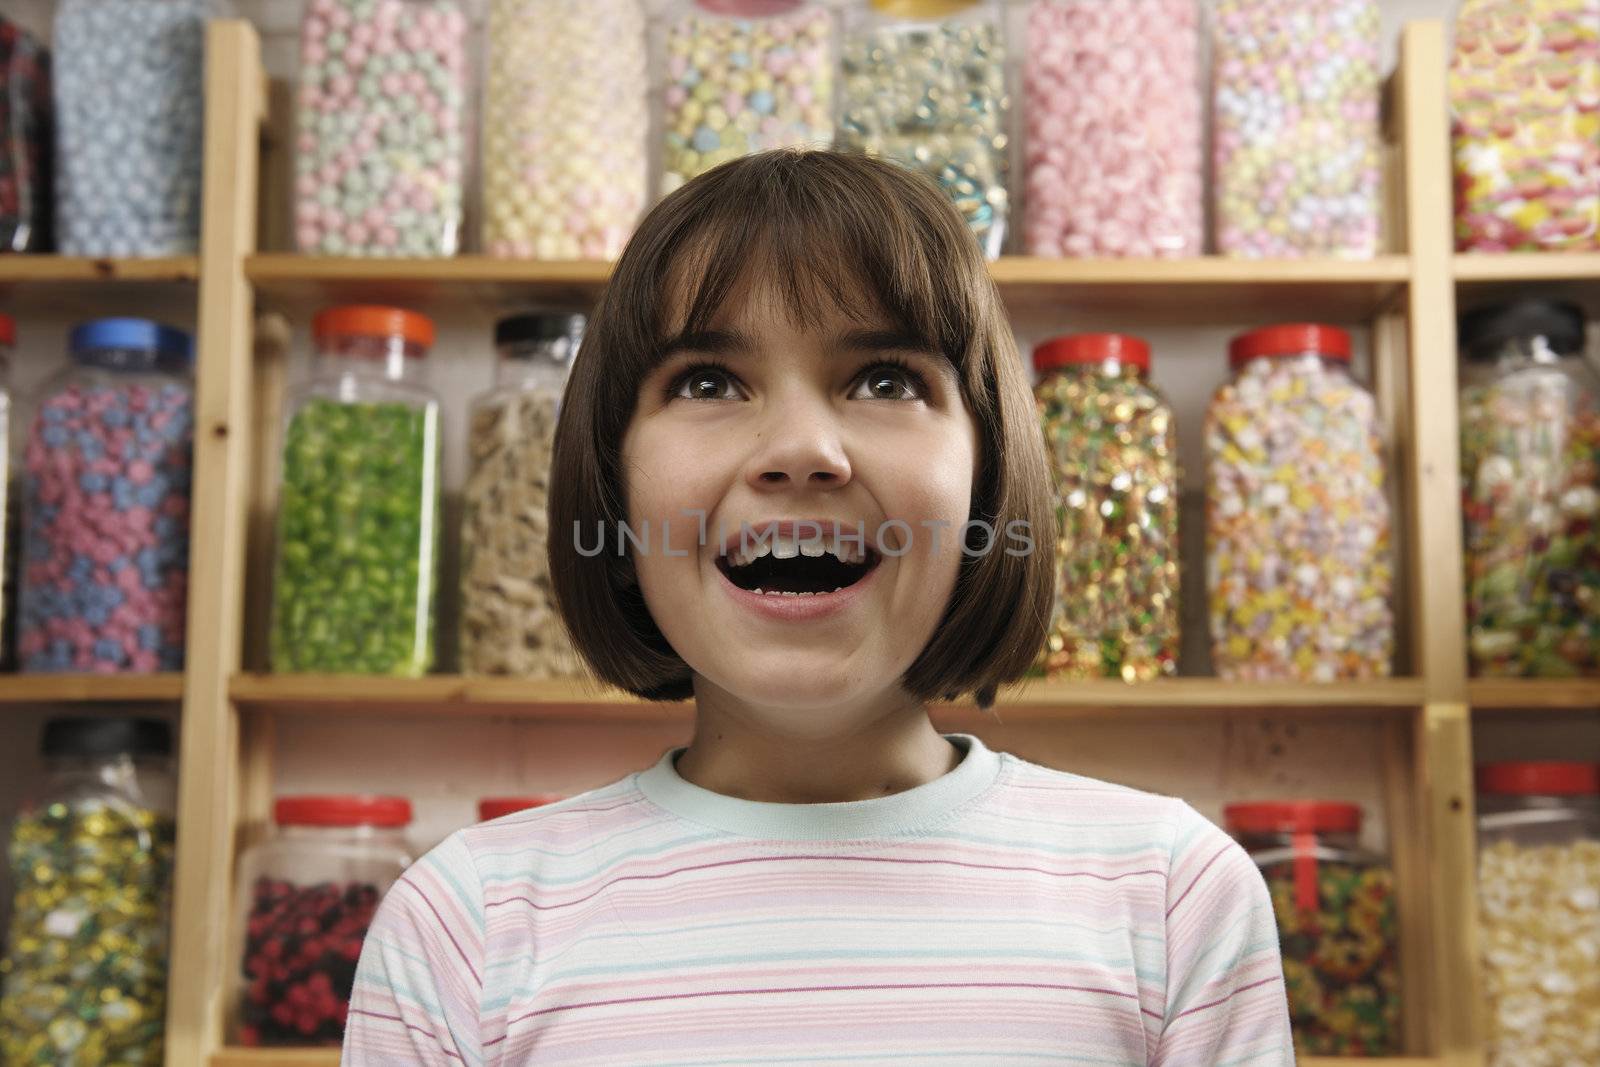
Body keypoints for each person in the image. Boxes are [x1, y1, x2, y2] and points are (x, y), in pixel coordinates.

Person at [340, 148, 1296, 1066]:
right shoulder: (462, 926)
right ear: (613, 485)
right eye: (708, 381)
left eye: (885, 380)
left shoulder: (1173, 899)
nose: (802, 449)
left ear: (988, 477)